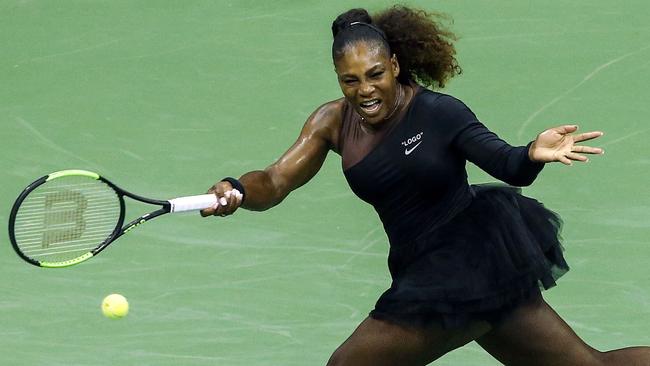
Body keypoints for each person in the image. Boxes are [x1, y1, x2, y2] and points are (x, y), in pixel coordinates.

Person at [201, 5, 650, 366]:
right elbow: (276, 180)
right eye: (350, 80)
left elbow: (507, 164)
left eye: (375, 74)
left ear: (394, 65)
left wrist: (533, 151)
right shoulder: (332, 121)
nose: (365, 90)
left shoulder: (439, 112)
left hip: (470, 260)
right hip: (430, 270)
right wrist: (236, 190)